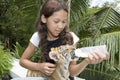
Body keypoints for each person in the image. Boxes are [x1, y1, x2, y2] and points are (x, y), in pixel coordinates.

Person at [20, 0, 109, 80]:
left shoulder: (71, 38)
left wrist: (87, 61)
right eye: (56, 21)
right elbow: (22, 61)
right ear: (44, 19)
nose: (60, 26)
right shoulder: (37, 36)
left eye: (64, 22)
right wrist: (39, 66)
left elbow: (72, 72)